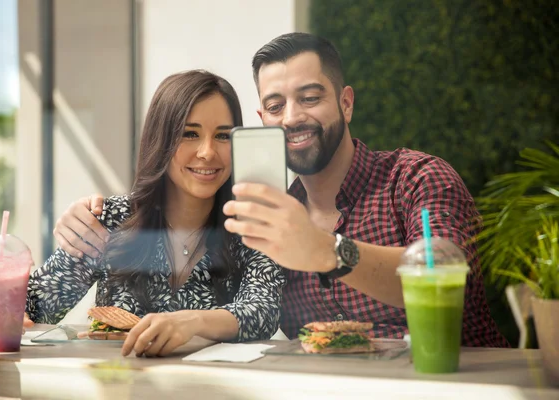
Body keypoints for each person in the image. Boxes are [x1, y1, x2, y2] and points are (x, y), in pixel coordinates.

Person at [53, 33, 509, 347]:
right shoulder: (264, 217)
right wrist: (88, 215)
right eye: (275, 105)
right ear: (262, 117)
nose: (291, 117)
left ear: (345, 103)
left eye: (310, 98)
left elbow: (458, 287)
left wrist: (330, 252)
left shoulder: (416, 179)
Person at [26, 70, 285, 357]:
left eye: (223, 135)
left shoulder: (253, 223)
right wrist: (7, 294)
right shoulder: (112, 219)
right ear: (161, 138)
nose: (207, 152)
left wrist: (193, 321)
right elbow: (34, 305)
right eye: (190, 133)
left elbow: (262, 311)